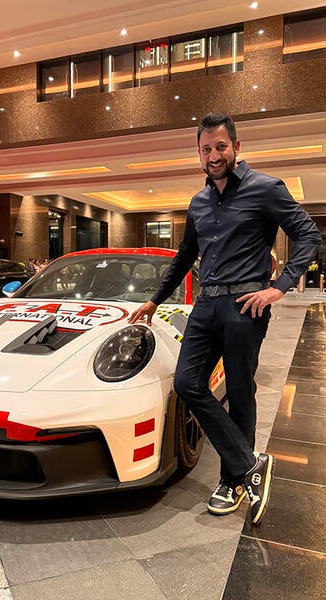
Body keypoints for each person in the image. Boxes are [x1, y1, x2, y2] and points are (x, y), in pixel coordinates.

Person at [129, 113, 321, 526]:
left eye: (220, 146)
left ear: (236, 146)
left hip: (244, 307)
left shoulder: (265, 189)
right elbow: (184, 257)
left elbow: (309, 235)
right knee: (187, 384)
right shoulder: (198, 202)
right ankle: (250, 464)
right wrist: (155, 300)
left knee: (239, 391)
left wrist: (279, 287)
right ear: (198, 153)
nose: (213, 155)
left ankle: (231, 481)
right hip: (205, 307)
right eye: (205, 148)